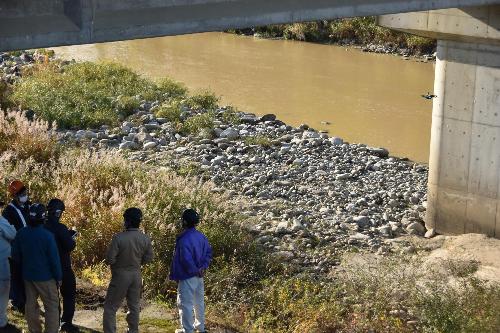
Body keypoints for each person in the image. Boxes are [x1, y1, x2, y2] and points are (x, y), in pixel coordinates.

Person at [11, 203, 62, 333]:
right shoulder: (47, 236)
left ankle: (34, 331)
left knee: (31, 306)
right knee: (51, 306)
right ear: (43, 217)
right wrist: (59, 277)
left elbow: (15, 256)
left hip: (28, 277)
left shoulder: (21, 233)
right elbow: (54, 260)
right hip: (46, 278)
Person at [103, 208, 154, 333]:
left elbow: (109, 259)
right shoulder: (145, 238)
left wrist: (117, 265)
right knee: (134, 306)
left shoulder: (119, 238)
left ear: (128, 221)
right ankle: (133, 330)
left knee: (110, 307)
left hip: (120, 274)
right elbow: (149, 258)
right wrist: (137, 263)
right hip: (136, 274)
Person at [170, 209, 212, 333]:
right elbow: (208, 254)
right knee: (199, 303)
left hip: (188, 276)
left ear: (184, 221)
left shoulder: (183, 239)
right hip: (200, 276)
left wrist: (195, 270)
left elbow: (186, 260)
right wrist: (202, 268)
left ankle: (187, 330)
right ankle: (200, 328)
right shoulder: (202, 237)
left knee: (185, 304)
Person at [44, 199, 78, 332]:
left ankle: (55, 323)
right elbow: (69, 245)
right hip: (63, 267)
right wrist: (72, 237)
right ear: (58, 213)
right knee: (69, 295)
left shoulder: (42, 227)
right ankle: (66, 323)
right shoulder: (61, 228)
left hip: (47, 268)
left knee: (53, 298)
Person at [2, 180, 29, 313]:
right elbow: (8, 232)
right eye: (22, 193)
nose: (25, 194)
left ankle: (26, 300)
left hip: (29, 248)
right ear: (15, 195)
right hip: (16, 250)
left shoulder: (28, 206)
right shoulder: (9, 211)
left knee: (26, 277)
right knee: (16, 276)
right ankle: (18, 302)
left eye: (25, 192)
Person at [0, 201, 17, 330]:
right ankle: (1, 321)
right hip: (1, 262)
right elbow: (13, 234)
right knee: (3, 291)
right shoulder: (1, 221)